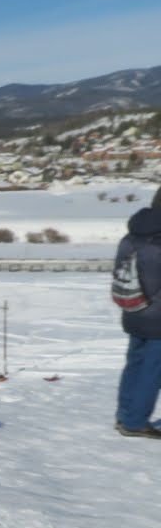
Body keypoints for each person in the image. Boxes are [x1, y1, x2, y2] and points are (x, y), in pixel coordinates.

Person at [113, 187, 161, 438]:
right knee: (152, 372)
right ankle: (135, 422)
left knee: (134, 364)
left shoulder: (132, 236)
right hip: (158, 320)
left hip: (134, 310)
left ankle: (124, 414)